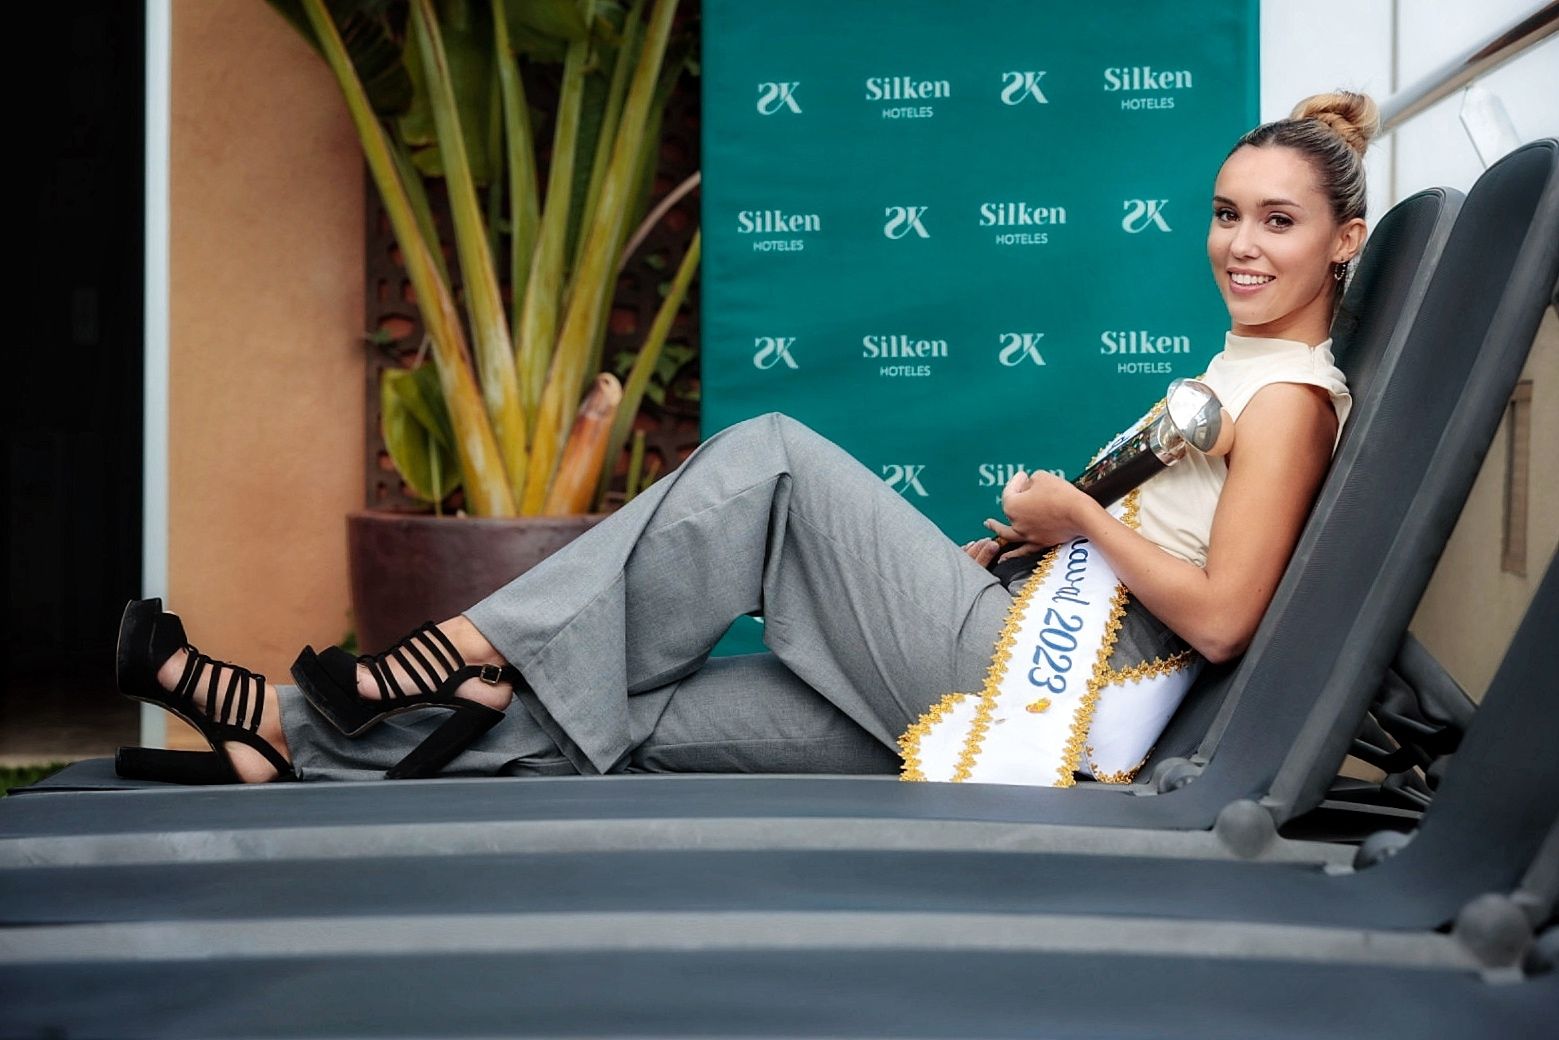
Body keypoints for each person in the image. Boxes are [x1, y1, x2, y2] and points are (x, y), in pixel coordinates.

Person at [116, 91, 1375, 786]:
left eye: (1275, 221)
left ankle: (429, 656)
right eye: (1223, 214)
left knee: (768, 449)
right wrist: (1034, 545)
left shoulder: (1287, 401)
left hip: (1051, 695)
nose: (1240, 244)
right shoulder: (1238, 371)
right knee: (641, 714)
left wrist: (1077, 521)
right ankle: (284, 732)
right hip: (1017, 662)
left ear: (1342, 242)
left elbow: (1218, 619)